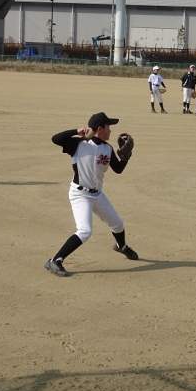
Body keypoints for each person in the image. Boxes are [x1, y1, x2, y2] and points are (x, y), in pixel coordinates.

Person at [45, 112, 138, 277]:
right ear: (99, 129)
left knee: (117, 223)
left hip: (98, 195)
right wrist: (76, 131)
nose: (110, 131)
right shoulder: (79, 144)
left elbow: (118, 169)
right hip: (80, 195)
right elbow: (55, 139)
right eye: (108, 127)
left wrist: (125, 159)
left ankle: (121, 246)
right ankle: (55, 260)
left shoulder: (107, 148)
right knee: (84, 231)